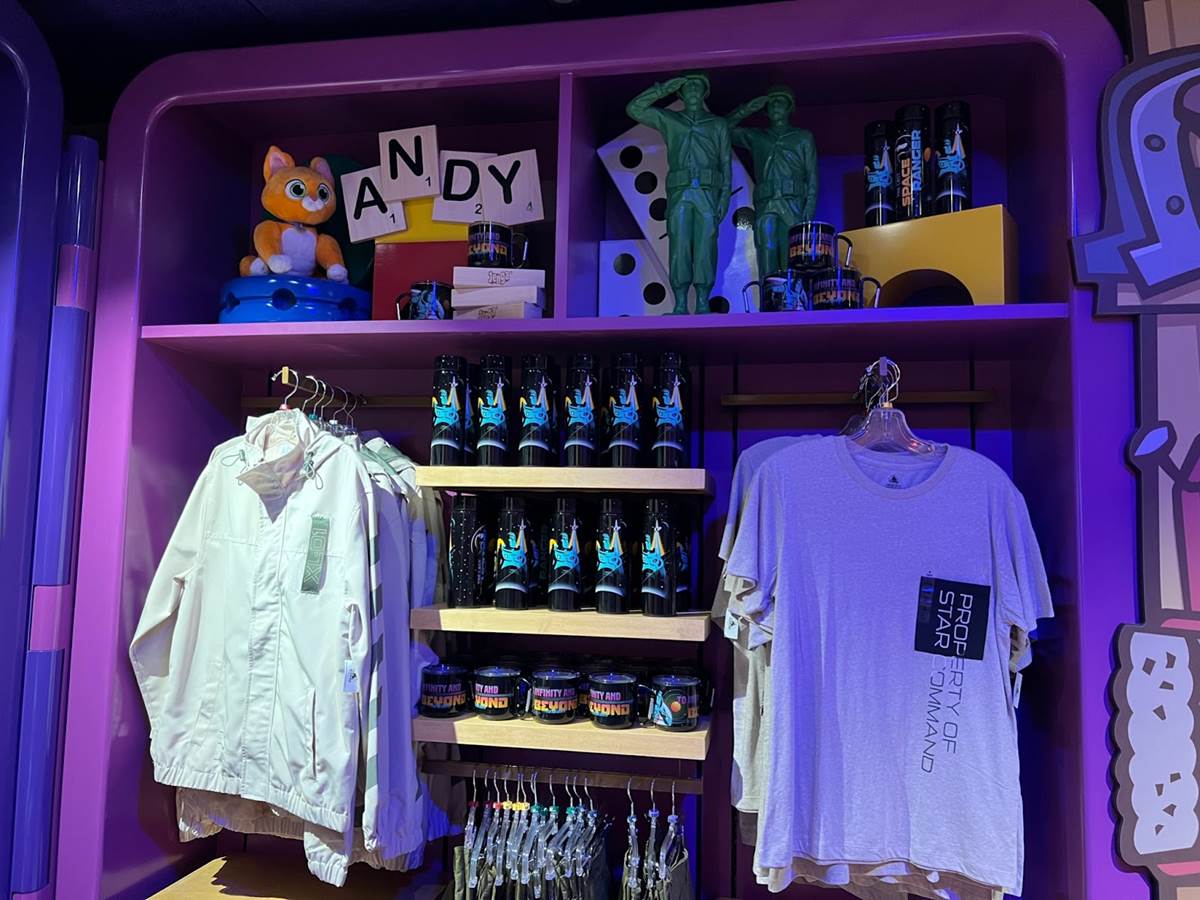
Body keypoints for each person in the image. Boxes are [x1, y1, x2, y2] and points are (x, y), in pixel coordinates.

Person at [627, 72, 732, 314]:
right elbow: (634, 108)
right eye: (688, 85)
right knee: (679, 245)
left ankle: (703, 301)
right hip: (680, 191)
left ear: (705, 92)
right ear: (681, 93)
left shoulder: (718, 124)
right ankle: (681, 302)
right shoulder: (670, 119)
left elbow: (725, 163)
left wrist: (724, 197)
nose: (693, 88)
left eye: (698, 85)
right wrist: (663, 89)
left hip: (707, 192)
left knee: (706, 245)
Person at [725, 86, 817, 279]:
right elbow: (723, 129)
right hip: (766, 204)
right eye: (771, 102)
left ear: (790, 107)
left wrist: (809, 210)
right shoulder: (757, 136)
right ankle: (767, 297)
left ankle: (791, 296)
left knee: (792, 256)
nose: (775, 105)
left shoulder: (803, 137)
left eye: (780, 101)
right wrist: (748, 108)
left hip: (792, 204)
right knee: (766, 255)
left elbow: (812, 176)